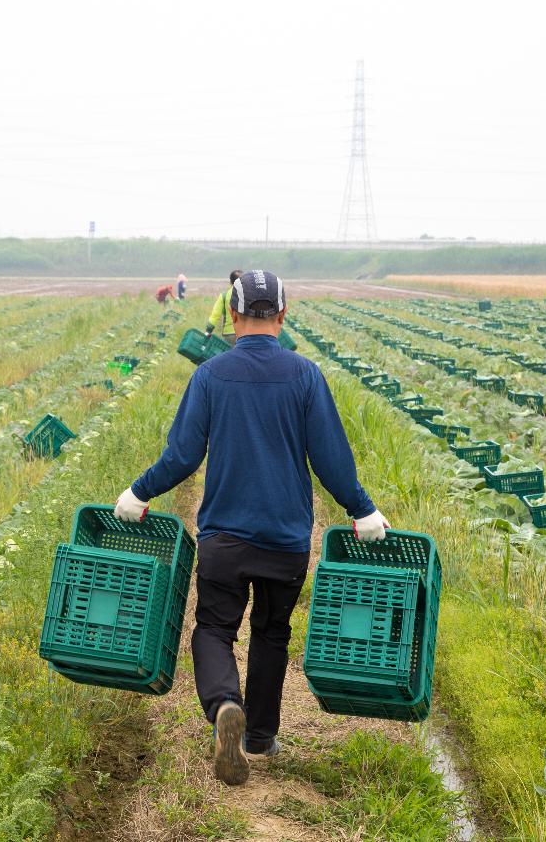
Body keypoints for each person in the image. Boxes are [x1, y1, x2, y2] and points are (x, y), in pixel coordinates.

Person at [114, 269, 389, 787]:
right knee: (271, 632)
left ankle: (223, 707)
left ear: (234, 317)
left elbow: (182, 456)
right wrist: (362, 510)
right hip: (285, 541)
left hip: (225, 538)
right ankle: (259, 736)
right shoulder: (305, 376)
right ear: (283, 316)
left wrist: (139, 492)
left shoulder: (211, 375)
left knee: (215, 628)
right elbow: (330, 458)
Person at [206, 270, 242, 344]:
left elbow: (215, 315)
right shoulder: (250, 294)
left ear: (230, 282)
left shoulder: (224, 296)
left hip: (229, 334)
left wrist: (208, 331)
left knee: (229, 354)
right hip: (245, 334)